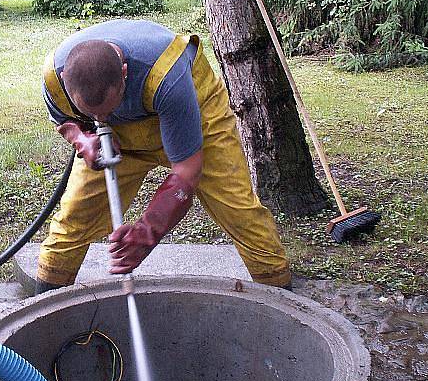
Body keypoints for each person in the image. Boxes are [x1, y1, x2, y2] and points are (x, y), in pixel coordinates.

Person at [36, 19, 291, 294]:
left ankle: (282, 296)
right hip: (118, 137)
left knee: (238, 209)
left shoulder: (166, 77)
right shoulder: (54, 78)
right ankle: (45, 310)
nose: (100, 120)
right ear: (65, 81)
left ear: (124, 73)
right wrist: (82, 139)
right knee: (75, 216)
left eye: (108, 110)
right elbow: (65, 121)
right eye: (91, 114)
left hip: (195, 113)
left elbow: (187, 172)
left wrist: (146, 233)